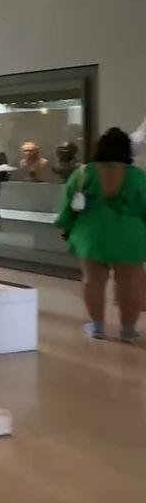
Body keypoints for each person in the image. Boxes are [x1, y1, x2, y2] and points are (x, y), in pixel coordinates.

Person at [54, 128, 146, 342]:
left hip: (91, 234)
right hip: (129, 235)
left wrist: (65, 225)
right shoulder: (137, 176)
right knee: (130, 284)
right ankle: (128, 330)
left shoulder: (84, 173)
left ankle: (97, 327)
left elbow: (69, 205)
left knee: (93, 281)